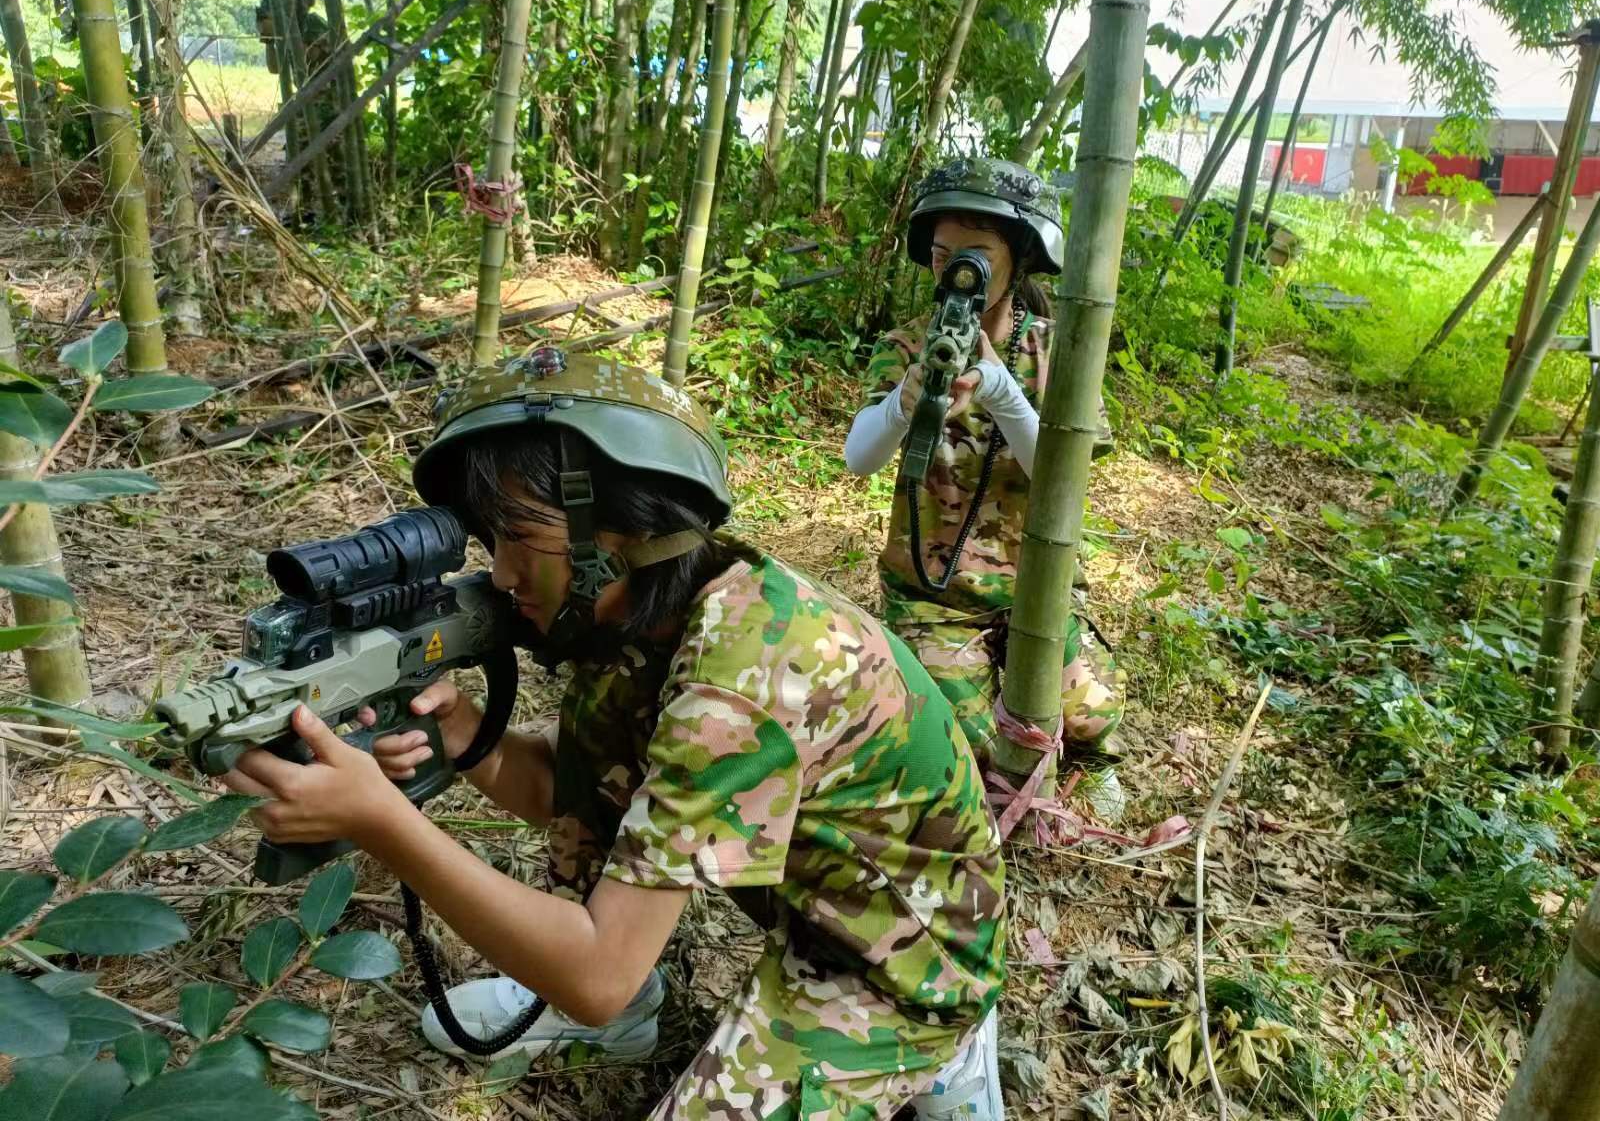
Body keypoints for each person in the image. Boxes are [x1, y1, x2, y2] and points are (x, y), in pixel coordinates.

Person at [221, 350, 1008, 1121]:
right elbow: (565, 788)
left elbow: (596, 976)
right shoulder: (649, 611)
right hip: (802, 895)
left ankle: (946, 1039)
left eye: (519, 538)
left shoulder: (739, 683)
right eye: (492, 542)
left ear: (620, 533)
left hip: (901, 953)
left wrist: (381, 822)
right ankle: (628, 1003)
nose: (501, 576)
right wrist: (460, 729)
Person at [843, 158, 1127, 816]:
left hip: (1037, 589)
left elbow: (1063, 475)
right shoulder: (907, 346)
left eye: (974, 257)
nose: (956, 273)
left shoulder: (1058, 351)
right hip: (935, 599)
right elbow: (860, 458)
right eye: (943, 256)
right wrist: (904, 403)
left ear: (1019, 260)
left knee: (1089, 715)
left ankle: (1090, 763)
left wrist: (1001, 389)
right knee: (964, 748)